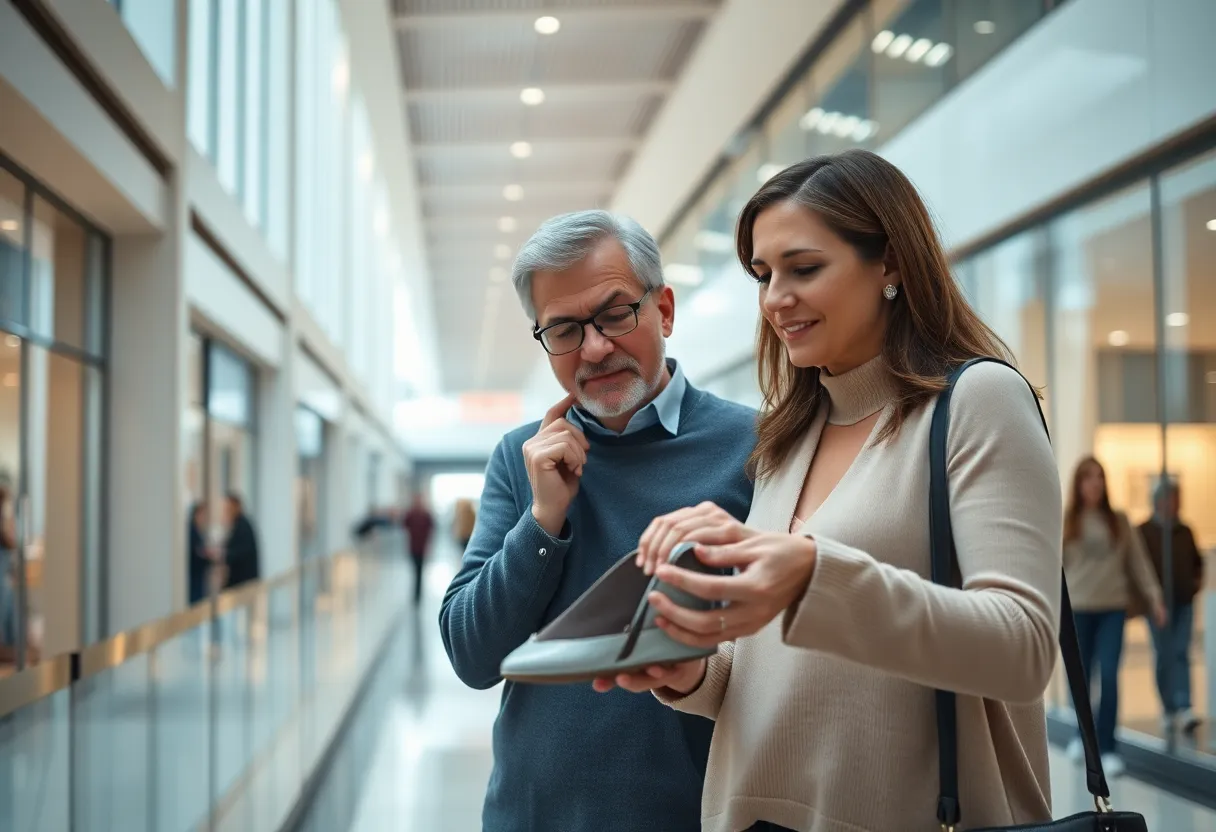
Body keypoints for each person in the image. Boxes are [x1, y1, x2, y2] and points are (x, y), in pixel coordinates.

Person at [596, 150, 1066, 832]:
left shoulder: (978, 401)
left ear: (891, 264)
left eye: (804, 268)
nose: (775, 299)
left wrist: (815, 574)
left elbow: (1022, 649)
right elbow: (768, 668)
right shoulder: (790, 435)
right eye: (763, 274)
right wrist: (692, 671)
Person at [439, 209, 756, 832]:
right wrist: (543, 519)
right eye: (563, 329)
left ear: (663, 309)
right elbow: (472, 656)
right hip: (532, 817)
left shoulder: (755, 446)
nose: (594, 347)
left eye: (615, 314)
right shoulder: (520, 456)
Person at [1061, 456, 1164, 775]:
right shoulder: (1067, 521)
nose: (1094, 483)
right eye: (1088, 477)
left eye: (1099, 477)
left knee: (1108, 675)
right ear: (1078, 484)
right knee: (1080, 679)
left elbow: (1139, 562)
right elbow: (1052, 565)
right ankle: (1083, 738)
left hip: (1112, 610)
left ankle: (1107, 747)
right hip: (1078, 610)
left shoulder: (1119, 521)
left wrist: (1155, 598)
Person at [1139, 479, 1205, 736]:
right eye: (1170, 498)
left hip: (1184, 602)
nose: (1175, 503)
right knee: (1163, 653)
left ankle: (1184, 706)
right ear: (1159, 500)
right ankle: (1168, 708)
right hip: (1157, 605)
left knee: (1181, 652)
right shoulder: (1144, 531)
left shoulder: (1185, 530)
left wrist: (1193, 585)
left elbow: (1197, 563)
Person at [403, 493, 436, 607]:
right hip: (413, 547)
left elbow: (432, 529)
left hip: (422, 548)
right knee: (415, 571)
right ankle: (415, 595)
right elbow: (404, 525)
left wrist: (430, 545)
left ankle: (418, 596)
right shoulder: (410, 514)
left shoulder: (426, 515)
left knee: (419, 572)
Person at [222, 493, 260, 589]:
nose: (226, 511)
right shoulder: (238, 525)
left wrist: (223, 554)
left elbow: (240, 552)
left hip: (244, 582)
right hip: (241, 581)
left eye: (229, 508)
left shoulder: (242, 526)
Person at [187, 502, 211, 606]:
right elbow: (196, 554)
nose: (204, 519)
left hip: (199, 579)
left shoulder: (198, 532)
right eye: (203, 515)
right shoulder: (192, 532)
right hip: (193, 580)